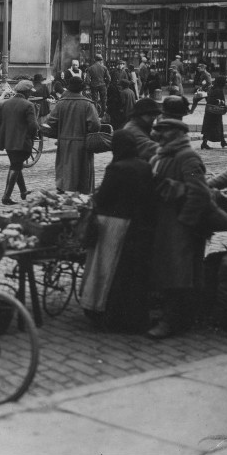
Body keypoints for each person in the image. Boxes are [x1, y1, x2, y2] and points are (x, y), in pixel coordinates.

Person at [80, 129, 155, 334]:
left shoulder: (116, 168)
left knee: (104, 269)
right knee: (126, 273)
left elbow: (103, 198)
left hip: (112, 224)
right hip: (136, 225)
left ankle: (99, 309)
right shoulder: (145, 166)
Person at [147, 118, 212, 339]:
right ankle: (175, 317)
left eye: (164, 131)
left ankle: (172, 321)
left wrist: (186, 222)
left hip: (180, 225)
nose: (158, 135)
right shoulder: (164, 154)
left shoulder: (188, 157)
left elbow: (200, 193)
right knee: (167, 270)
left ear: (176, 133)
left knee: (178, 273)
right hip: (165, 223)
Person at [42, 76, 101, 194]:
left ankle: (63, 191)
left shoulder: (61, 103)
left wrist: (60, 131)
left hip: (64, 142)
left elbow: (50, 122)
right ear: (81, 89)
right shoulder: (88, 104)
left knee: (65, 169)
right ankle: (82, 197)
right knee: (83, 172)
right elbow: (95, 125)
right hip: (82, 142)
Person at [0, 80, 39, 205]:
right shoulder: (28, 105)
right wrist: (32, 137)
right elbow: (33, 125)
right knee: (16, 166)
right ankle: (6, 197)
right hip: (22, 142)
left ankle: (23, 191)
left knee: (16, 164)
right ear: (27, 92)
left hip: (8, 141)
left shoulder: (4, 104)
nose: (30, 94)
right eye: (30, 92)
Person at [118, 97, 161, 162]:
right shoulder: (132, 129)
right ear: (140, 114)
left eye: (155, 114)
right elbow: (149, 148)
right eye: (150, 114)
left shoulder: (143, 126)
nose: (153, 117)